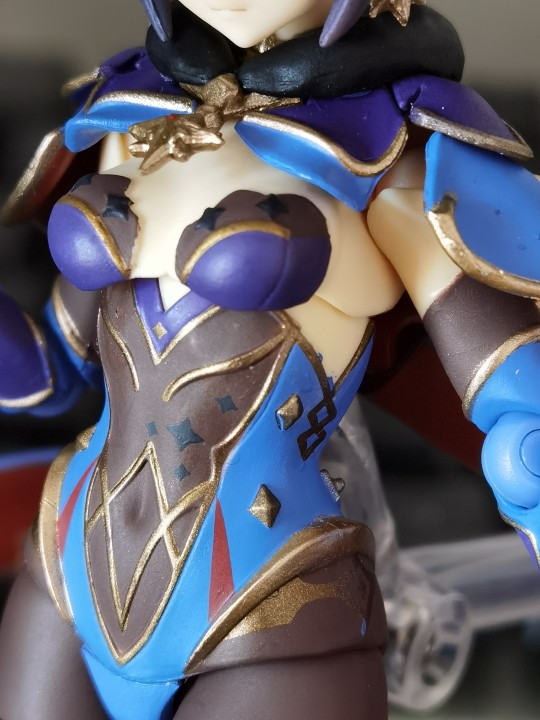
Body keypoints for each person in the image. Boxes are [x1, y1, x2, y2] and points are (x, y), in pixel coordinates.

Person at [2, 1, 540, 718]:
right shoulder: (134, 117)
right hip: (65, 565)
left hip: (270, 607)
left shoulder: (392, 159)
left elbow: (519, 407)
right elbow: (54, 367)